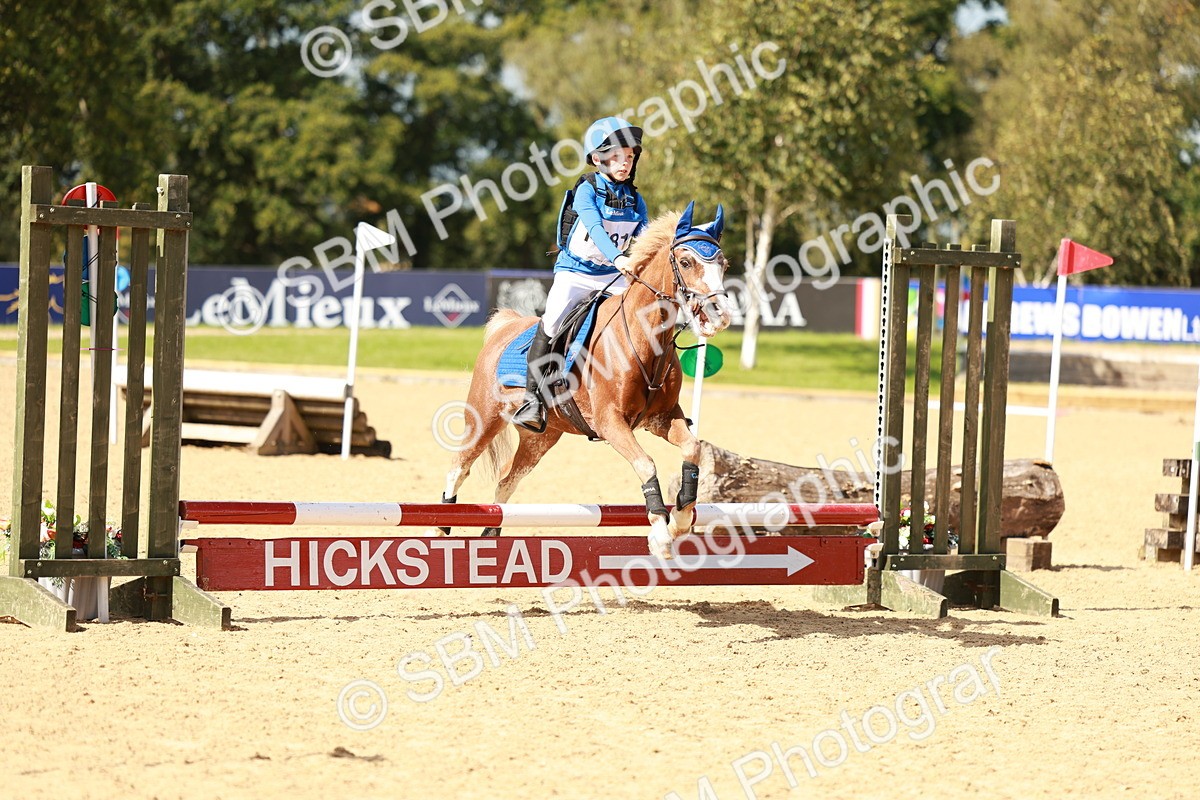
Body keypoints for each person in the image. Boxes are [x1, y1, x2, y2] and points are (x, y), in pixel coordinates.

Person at [513, 116, 650, 432]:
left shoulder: (636, 200)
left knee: (642, 319)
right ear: (598, 158)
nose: (625, 163)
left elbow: (645, 236)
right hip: (576, 273)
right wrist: (619, 257)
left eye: (629, 156)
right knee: (552, 320)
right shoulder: (587, 190)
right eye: (616, 155)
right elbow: (595, 227)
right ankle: (532, 401)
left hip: (613, 276)